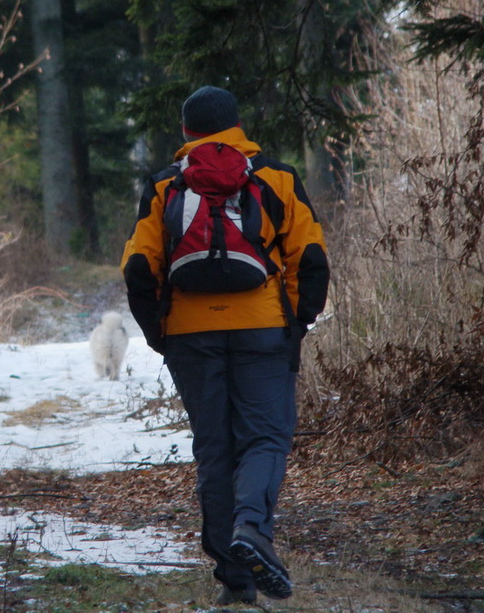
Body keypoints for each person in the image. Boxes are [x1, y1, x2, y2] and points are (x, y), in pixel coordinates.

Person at [120, 86, 329, 604]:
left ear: (187, 132)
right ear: (237, 125)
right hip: (263, 327)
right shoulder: (276, 177)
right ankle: (253, 528)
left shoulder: (167, 185)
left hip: (191, 335)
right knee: (265, 439)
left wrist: (160, 333)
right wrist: (296, 322)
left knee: (215, 448)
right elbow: (311, 259)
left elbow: (139, 267)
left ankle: (235, 581)